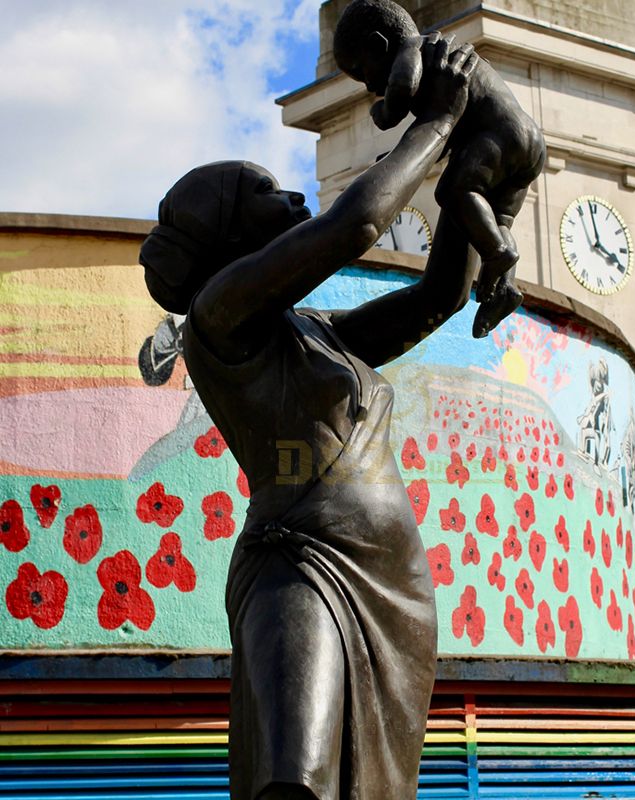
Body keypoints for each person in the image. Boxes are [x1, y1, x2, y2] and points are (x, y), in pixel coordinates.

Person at [139, 38, 478, 800]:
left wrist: (468, 177)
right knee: (297, 781)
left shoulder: (318, 331)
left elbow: (440, 297)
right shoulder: (219, 318)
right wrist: (438, 124)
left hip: (390, 584)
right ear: (226, 237)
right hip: (303, 567)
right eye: (264, 194)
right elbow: (355, 225)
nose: (291, 198)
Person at [333, 0, 546, 339]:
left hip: (498, 137)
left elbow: (402, 85)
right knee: (499, 218)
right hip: (528, 142)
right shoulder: (443, 63)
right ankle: (505, 287)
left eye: (362, 71)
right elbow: (444, 133)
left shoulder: (415, 49)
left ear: (379, 45)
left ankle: (499, 253)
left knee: (452, 191)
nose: (368, 86)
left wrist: (386, 112)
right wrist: (400, 154)